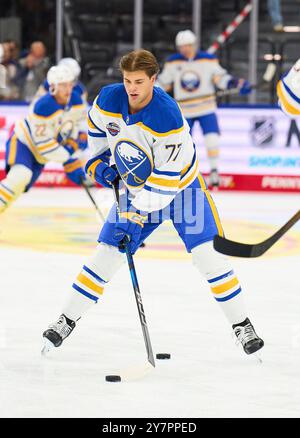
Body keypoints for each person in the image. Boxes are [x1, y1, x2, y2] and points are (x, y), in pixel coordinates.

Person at [42, 49, 263, 357]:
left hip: (184, 191)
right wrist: (99, 165)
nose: (132, 88)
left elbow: (165, 181)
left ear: (153, 79)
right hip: (135, 190)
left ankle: (242, 325)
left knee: (208, 257)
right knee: (107, 253)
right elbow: (95, 137)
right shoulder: (107, 99)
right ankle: (65, 319)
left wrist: (135, 212)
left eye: (139, 81)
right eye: (127, 80)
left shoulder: (167, 115)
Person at [158, 30, 251, 188]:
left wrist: (235, 83)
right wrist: (149, 92)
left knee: (212, 139)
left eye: (187, 45)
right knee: (183, 143)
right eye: (181, 46)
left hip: (206, 107)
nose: (185, 49)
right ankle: (182, 172)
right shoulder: (173, 62)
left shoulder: (208, 59)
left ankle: (214, 172)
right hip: (184, 110)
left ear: (193, 44)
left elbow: (220, 78)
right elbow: (163, 83)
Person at [0, 64, 86, 213]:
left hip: (41, 157)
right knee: (20, 176)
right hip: (23, 143)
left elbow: (73, 130)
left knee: (20, 188)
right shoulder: (43, 106)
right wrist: (68, 158)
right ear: (53, 86)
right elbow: (43, 144)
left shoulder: (77, 102)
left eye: (70, 84)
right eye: (63, 85)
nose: (68, 89)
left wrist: (72, 147)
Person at [32, 57, 88, 150]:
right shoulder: (48, 86)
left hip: (67, 123)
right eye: (63, 83)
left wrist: (81, 132)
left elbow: (80, 116)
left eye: (70, 82)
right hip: (49, 124)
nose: (68, 87)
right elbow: (36, 107)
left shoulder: (80, 91)